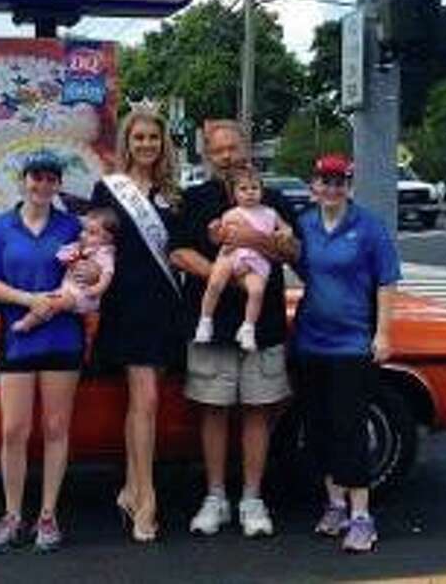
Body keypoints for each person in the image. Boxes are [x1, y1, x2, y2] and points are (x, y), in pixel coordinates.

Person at [171, 120, 298, 539]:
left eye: (233, 148)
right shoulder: (196, 198)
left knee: (259, 410)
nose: (227, 156)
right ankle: (215, 497)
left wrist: (253, 239)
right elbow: (179, 252)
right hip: (209, 324)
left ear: (247, 148)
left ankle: (252, 498)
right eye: (218, 150)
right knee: (213, 409)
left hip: (262, 326)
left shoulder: (274, 198)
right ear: (207, 154)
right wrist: (223, 278)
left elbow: (296, 251)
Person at [0, 151, 86, 555]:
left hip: (63, 339)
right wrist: (31, 300)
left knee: (56, 429)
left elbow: (88, 280)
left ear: (58, 185)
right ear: (23, 181)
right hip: (17, 340)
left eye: (50, 179)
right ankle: (12, 515)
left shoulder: (72, 227)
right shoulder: (0, 227)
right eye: (35, 178)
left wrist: (62, 299)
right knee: (14, 431)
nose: (42, 186)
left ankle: (48, 515)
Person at [293, 153, 400, 554]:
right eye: (325, 181)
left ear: (349, 186)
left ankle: (361, 516)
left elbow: (387, 281)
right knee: (318, 426)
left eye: (340, 182)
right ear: (314, 185)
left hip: (352, 342)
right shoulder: (305, 224)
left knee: (349, 428)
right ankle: (335, 504)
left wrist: (383, 333)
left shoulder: (369, 227)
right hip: (310, 339)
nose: (332, 188)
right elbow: (297, 264)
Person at [89, 105, 184, 543]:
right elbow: (95, 244)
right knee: (145, 401)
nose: (146, 144)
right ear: (126, 142)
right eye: (138, 137)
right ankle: (148, 500)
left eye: (153, 137)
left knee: (141, 405)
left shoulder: (173, 193)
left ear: (163, 143)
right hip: (127, 307)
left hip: (165, 308)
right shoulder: (108, 190)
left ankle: (129, 488)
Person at [193, 166, 291, 352]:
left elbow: (285, 228)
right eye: (244, 189)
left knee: (257, 291)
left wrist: (285, 233)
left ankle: (248, 327)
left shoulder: (270, 213)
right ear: (235, 194)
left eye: (254, 188)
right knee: (215, 283)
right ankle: (205, 321)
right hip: (231, 254)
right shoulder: (232, 213)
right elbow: (218, 237)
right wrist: (215, 229)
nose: (249, 193)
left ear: (262, 191)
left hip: (256, 260)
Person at [12, 208, 117, 333]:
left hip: (83, 296)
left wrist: (95, 290)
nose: (83, 235)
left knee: (52, 303)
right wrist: (70, 256)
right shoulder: (80, 246)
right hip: (68, 289)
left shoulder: (104, 254)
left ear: (106, 238)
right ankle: (31, 321)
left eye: (92, 233)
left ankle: (27, 323)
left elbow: (107, 277)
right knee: (48, 302)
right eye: (84, 230)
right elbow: (61, 257)